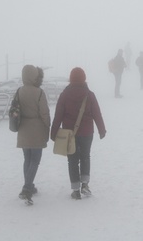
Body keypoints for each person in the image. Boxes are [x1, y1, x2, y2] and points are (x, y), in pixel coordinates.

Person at [51, 67, 107, 199]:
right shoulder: (89, 95)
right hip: (87, 132)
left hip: (70, 134)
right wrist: (102, 129)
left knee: (72, 160)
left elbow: (58, 115)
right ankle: (85, 184)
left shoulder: (65, 95)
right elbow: (97, 113)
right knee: (85, 157)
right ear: (84, 78)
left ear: (70, 78)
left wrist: (53, 133)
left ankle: (75, 190)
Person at [16, 65, 51, 203]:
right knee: (35, 161)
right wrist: (48, 125)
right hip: (36, 129)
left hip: (23, 129)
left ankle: (29, 185)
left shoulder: (19, 91)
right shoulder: (39, 92)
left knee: (27, 159)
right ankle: (27, 188)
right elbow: (44, 113)